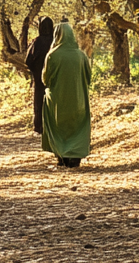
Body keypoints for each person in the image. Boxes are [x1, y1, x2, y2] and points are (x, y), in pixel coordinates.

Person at [41, 22, 92, 167]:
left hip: (57, 100)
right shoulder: (81, 55)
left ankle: (61, 155)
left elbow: (45, 79)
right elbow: (88, 78)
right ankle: (75, 157)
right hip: (78, 99)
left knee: (58, 126)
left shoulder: (52, 55)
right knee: (77, 126)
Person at [24, 16, 55, 134]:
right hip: (54, 75)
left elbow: (28, 60)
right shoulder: (55, 41)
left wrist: (35, 71)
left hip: (38, 76)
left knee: (39, 99)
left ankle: (39, 126)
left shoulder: (36, 42)